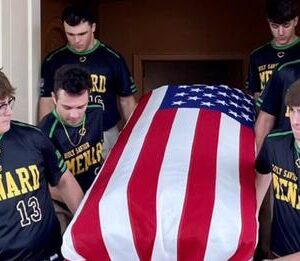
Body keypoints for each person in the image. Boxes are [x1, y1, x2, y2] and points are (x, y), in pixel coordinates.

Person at [0, 70, 84, 260]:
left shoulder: (33, 137)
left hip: (51, 253)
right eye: (1, 106)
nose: (9, 111)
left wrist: (88, 225)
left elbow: (63, 180)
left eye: (9, 102)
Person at [39, 5, 137, 158]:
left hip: (105, 133)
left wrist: (136, 137)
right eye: (70, 34)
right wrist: (43, 140)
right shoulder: (54, 61)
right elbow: (46, 101)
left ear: (93, 27)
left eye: (82, 33)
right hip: (65, 135)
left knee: (106, 180)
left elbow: (127, 101)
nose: (76, 40)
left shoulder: (112, 59)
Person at [39, 64, 104, 231]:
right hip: (62, 204)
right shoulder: (43, 133)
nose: (74, 115)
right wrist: (81, 205)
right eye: (67, 107)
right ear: (54, 98)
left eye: (80, 107)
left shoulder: (96, 112)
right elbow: (46, 184)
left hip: (98, 195)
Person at [256, 79, 300, 259]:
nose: (296, 121)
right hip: (277, 251)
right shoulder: (275, 143)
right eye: (293, 111)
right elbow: (262, 174)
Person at [246, 0, 299, 100]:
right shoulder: (258, 56)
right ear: (268, 22)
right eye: (275, 26)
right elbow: (255, 94)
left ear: (295, 21)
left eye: (286, 25)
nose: (281, 32)